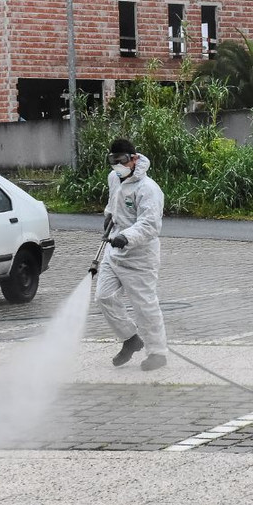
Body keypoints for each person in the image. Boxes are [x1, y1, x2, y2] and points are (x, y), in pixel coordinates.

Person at [96, 138, 168, 371]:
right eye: (113, 161)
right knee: (104, 297)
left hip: (139, 256)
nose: (117, 166)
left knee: (144, 305)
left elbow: (150, 225)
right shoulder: (113, 178)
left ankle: (157, 353)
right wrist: (108, 215)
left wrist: (127, 236)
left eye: (122, 161)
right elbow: (112, 205)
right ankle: (130, 338)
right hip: (113, 251)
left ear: (134, 159)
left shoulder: (148, 189)